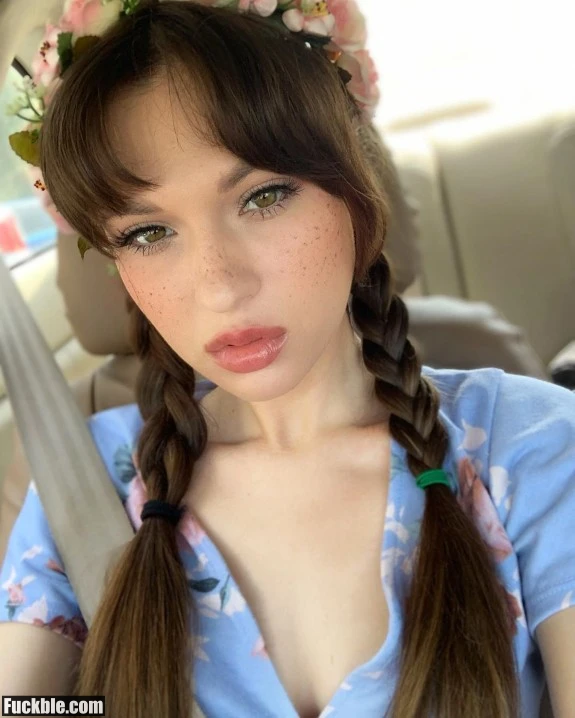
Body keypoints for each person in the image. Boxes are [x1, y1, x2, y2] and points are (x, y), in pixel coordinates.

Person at [0, 2, 573, 717]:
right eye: (148, 233)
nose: (220, 286)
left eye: (263, 197)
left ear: (354, 192)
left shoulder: (531, 446)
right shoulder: (85, 485)